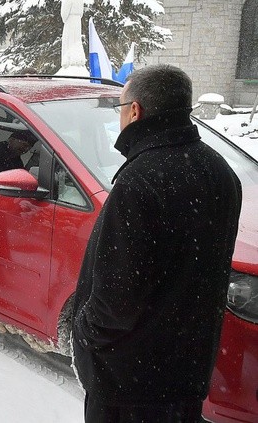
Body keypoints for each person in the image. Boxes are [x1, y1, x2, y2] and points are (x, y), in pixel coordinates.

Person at [71, 64, 242, 422]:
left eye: (120, 108)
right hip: (186, 373)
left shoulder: (140, 180)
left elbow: (116, 298)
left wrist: (84, 333)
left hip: (128, 382)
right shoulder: (220, 171)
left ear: (135, 111)